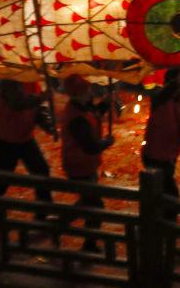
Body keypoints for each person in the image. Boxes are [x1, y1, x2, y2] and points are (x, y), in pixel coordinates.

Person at [60, 74, 114, 252]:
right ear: (77, 94)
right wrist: (106, 142)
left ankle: (60, 223)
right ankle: (89, 244)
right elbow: (90, 146)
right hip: (79, 166)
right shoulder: (76, 117)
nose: (90, 93)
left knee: (86, 201)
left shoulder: (81, 107)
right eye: (86, 90)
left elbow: (95, 114)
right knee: (96, 206)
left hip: (85, 164)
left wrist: (106, 103)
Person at [142, 68, 180, 219]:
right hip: (153, 155)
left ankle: (161, 221)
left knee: (164, 192)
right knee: (167, 194)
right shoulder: (159, 98)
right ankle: (161, 224)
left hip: (170, 155)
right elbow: (162, 95)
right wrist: (178, 81)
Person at [0, 79, 53, 210]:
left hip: (24, 136)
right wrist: (41, 98)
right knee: (3, 177)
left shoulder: (34, 80)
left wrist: (47, 125)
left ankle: (44, 211)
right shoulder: (11, 79)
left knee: (41, 170)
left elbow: (39, 109)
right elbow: (17, 102)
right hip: (6, 137)